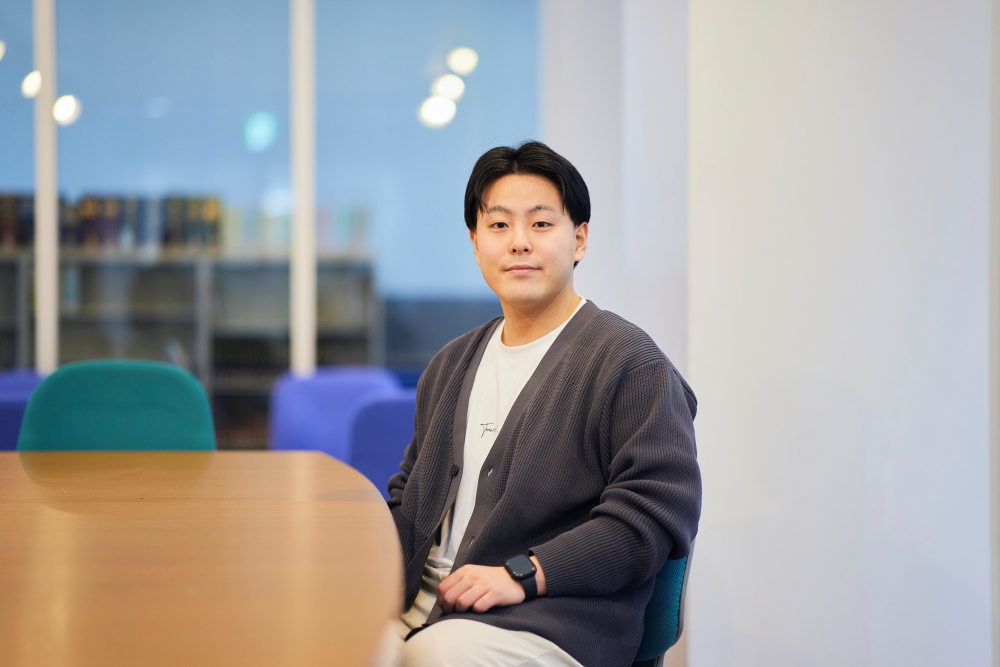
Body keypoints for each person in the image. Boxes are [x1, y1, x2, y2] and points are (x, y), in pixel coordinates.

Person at [381, 141, 701, 667]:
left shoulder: (630, 365)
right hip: (420, 614)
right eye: (499, 225)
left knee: (436, 656)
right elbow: (410, 498)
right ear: (475, 242)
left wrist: (524, 574)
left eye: (541, 224)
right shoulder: (449, 364)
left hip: (547, 622)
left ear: (579, 240)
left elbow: (652, 518)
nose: (519, 242)